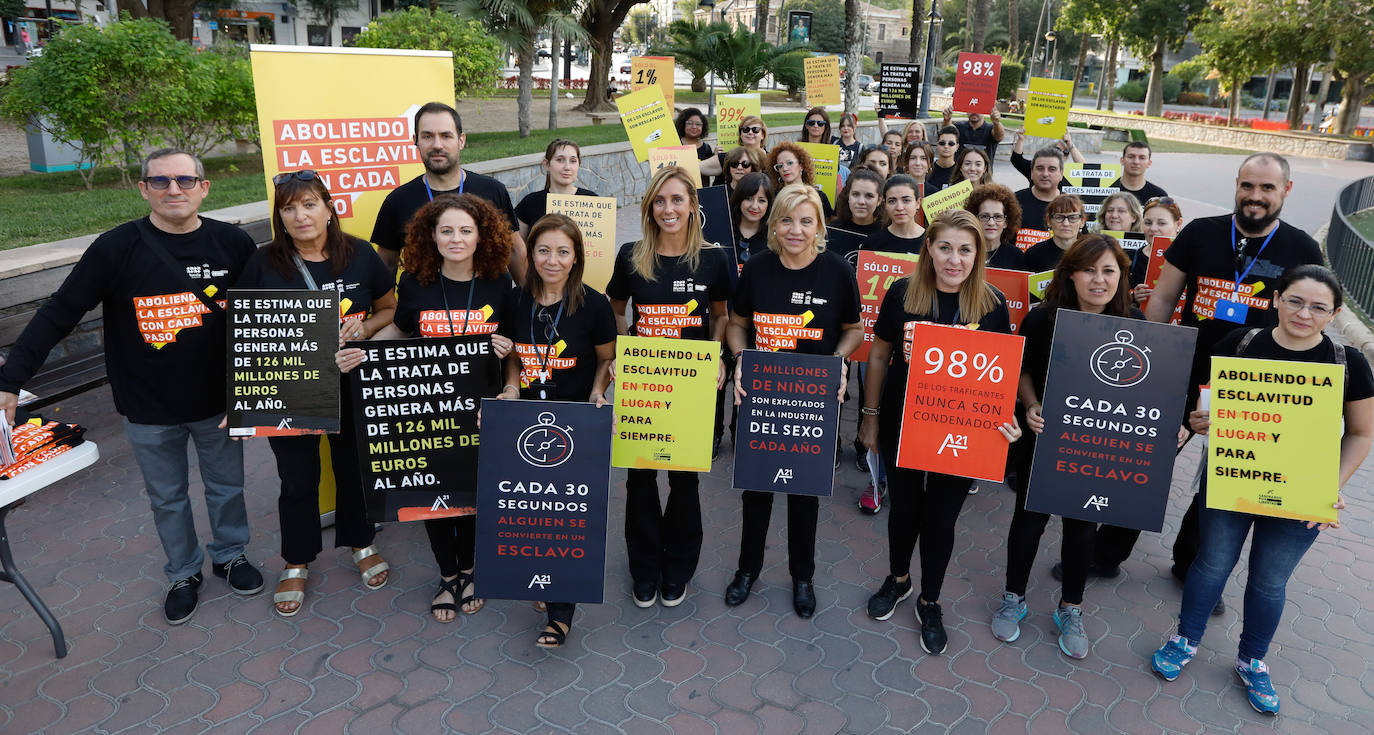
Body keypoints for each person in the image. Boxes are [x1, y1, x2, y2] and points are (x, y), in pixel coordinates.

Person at [0, 148, 262, 625]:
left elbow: (263, 317)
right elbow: (60, 312)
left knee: (226, 487)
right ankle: (183, 573)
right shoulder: (116, 247)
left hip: (219, 400)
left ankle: (230, 556)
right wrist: (10, 379)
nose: (174, 190)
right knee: (167, 497)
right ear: (143, 189)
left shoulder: (232, 244)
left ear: (205, 187)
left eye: (185, 180)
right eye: (160, 182)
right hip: (147, 405)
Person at [1151, 265, 1373, 714]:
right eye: (1294, 300)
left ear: (1333, 314)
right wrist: (1198, 420)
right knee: (1211, 563)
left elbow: (1362, 433)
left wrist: (1333, 485)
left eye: (1318, 307)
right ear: (1276, 299)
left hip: (1302, 491)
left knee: (1270, 581)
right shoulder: (1241, 343)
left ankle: (1252, 659)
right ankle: (1185, 639)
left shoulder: (1347, 363)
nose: (1304, 313)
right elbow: (1207, 407)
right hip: (1233, 478)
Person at [1140, 153, 1324, 593]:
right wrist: (1149, 356)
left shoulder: (1302, 249)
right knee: (1144, 460)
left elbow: (1309, 318)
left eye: (1267, 188)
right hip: (1184, 369)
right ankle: (1107, 553)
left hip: (1253, 388)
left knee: (1221, 483)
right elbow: (1164, 298)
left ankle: (1190, 568)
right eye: (1248, 186)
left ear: (1286, 191)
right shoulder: (1200, 233)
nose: (1255, 197)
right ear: (1237, 185)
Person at [235, 171, 395, 617]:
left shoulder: (360, 254)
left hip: (351, 381)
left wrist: (363, 328)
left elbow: (389, 307)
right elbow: (242, 331)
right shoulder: (262, 262)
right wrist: (239, 398)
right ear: (279, 217)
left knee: (353, 466)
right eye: (289, 207)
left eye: (309, 204)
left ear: (329, 208)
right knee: (297, 477)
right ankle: (297, 559)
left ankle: (361, 543)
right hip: (291, 389)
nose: (300, 215)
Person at [349, 194, 514, 623]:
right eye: (446, 231)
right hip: (427, 411)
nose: (455, 238)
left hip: (481, 410)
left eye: (465, 230)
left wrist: (507, 348)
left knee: (477, 494)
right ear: (431, 236)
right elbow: (399, 334)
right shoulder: (417, 283)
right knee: (431, 496)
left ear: (482, 236)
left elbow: (516, 346)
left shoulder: (499, 282)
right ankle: (447, 573)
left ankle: (474, 569)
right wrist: (364, 356)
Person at [860, 209, 1018, 654]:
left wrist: (1003, 423)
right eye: (945, 247)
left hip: (961, 434)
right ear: (928, 248)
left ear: (978, 254)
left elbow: (999, 376)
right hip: (903, 422)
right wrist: (869, 416)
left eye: (965, 250)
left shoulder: (991, 304)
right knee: (904, 510)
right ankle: (899, 580)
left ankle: (931, 599)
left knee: (941, 519)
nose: (954, 259)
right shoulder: (903, 293)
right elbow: (877, 357)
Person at [991, 233, 1141, 660]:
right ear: (1071, 274)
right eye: (1089, 270)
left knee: (1082, 529)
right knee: (1028, 522)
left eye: (1109, 271)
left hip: (1097, 447)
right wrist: (1032, 404)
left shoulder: (1136, 321)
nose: (1099, 280)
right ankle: (1013, 597)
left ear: (1122, 276)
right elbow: (1021, 370)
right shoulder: (1044, 319)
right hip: (1046, 438)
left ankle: (1071, 608)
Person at [724, 183, 862, 618]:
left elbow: (854, 329)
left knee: (804, 495)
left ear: (820, 226)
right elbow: (737, 323)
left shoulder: (838, 272)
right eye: (786, 220)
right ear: (774, 224)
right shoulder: (759, 269)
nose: (796, 230)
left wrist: (839, 362)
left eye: (806, 221)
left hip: (813, 401)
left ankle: (803, 576)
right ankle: (748, 569)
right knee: (756, 491)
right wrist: (742, 357)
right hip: (763, 397)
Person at [607, 167, 732, 607]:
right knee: (639, 481)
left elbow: (721, 316)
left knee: (684, 483)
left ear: (693, 206)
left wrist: (716, 352)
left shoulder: (713, 258)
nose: (668, 209)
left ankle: (678, 567)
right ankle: (644, 568)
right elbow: (617, 311)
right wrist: (624, 352)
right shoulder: (631, 256)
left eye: (677, 200)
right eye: (660, 201)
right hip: (645, 385)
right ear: (649, 208)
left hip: (692, 387)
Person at [500, 214, 617, 647]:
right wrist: (511, 387)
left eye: (562, 252)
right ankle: (541, 578)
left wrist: (597, 393)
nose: (552, 260)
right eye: (543, 250)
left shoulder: (595, 304)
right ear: (530, 254)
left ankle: (560, 610)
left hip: (576, 422)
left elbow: (607, 358)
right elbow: (512, 353)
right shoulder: (515, 302)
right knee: (532, 507)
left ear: (576, 259)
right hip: (525, 420)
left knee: (567, 514)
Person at [371, 102, 524, 279]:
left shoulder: (492, 191)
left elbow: (515, 250)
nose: (437, 145)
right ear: (416, 141)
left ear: (461, 140)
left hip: (487, 304)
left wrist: (527, 301)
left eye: (446, 136)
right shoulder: (397, 201)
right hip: (423, 303)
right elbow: (386, 263)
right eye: (427, 136)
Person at [515, 138, 598, 242]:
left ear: (578, 165)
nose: (567, 167)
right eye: (560, 160)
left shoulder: (592, 201)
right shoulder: (530, 203)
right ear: (546, 164)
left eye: (573, 161)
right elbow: (519, 251)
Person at [1128, 196, 1186, 302]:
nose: (1153, 229)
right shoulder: (1129, 259)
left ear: (1178, 224)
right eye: (1148, 223)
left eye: (1161, 223)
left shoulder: (1190, 259)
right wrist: (1132, 296)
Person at [764, 141, 835, 219]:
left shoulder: (820, 197)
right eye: (780, 166)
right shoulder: (773, 197)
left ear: (801, 166)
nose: (785, 168)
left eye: (790, 163)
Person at [965, 184, 1026, 271]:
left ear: (1006, 222)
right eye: (985, 216)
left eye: (998, 217)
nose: (991, 223)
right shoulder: (965, 252)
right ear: (975, 219)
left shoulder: (1017, 257)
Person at [1013, 145, 1072, 231]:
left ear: (1061, 174)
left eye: (1052, 169)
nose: (1045, 174)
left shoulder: (1072, 206)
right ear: (1032, 173)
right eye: (1040, 168)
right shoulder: (1013, 202)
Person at [1022, 194, 1085, 272]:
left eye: (1073, 217)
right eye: (1059, 217)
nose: (1066, 223)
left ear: (1082, 221)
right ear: (1049, 221)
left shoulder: (1090, 253)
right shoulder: (1033, 254)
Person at [864, 175, 926, 255]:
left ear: (918, 203)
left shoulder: (932, 242)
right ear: (885, 204)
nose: (899, 208)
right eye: (892, 201)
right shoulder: (872, 243)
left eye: (906, 200)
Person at [699, 115, 768, 181]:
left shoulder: (772, 160)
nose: (750, 132)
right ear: (740, 134)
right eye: (745, 129)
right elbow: (696, 168)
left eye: (755, 129)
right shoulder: (726, 158)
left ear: (763, 135)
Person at [1009, 127, 1084, 187]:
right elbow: (1016, 160)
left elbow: (1086, 170)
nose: (1045, 174)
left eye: (1066, 152)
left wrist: (1070, 144)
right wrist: (1021, 139)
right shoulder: (1037, 167)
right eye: (1057, 149)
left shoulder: (1070, 174)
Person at [941, 106, 1005, 164]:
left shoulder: (991, 129)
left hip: (984, 175)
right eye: (971, 108)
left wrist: (996, 123)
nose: (974, 111)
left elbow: (999, 137)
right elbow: (946, 135)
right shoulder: (959, 127)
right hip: (960, 174)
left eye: (978, 108)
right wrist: (947, 120)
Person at [926, 126, 961, 192]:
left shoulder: (961, 172)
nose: (946, 146)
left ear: (957, 147)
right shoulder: (927, 170)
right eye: (942, 143)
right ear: (937, 145)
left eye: (951, 144)